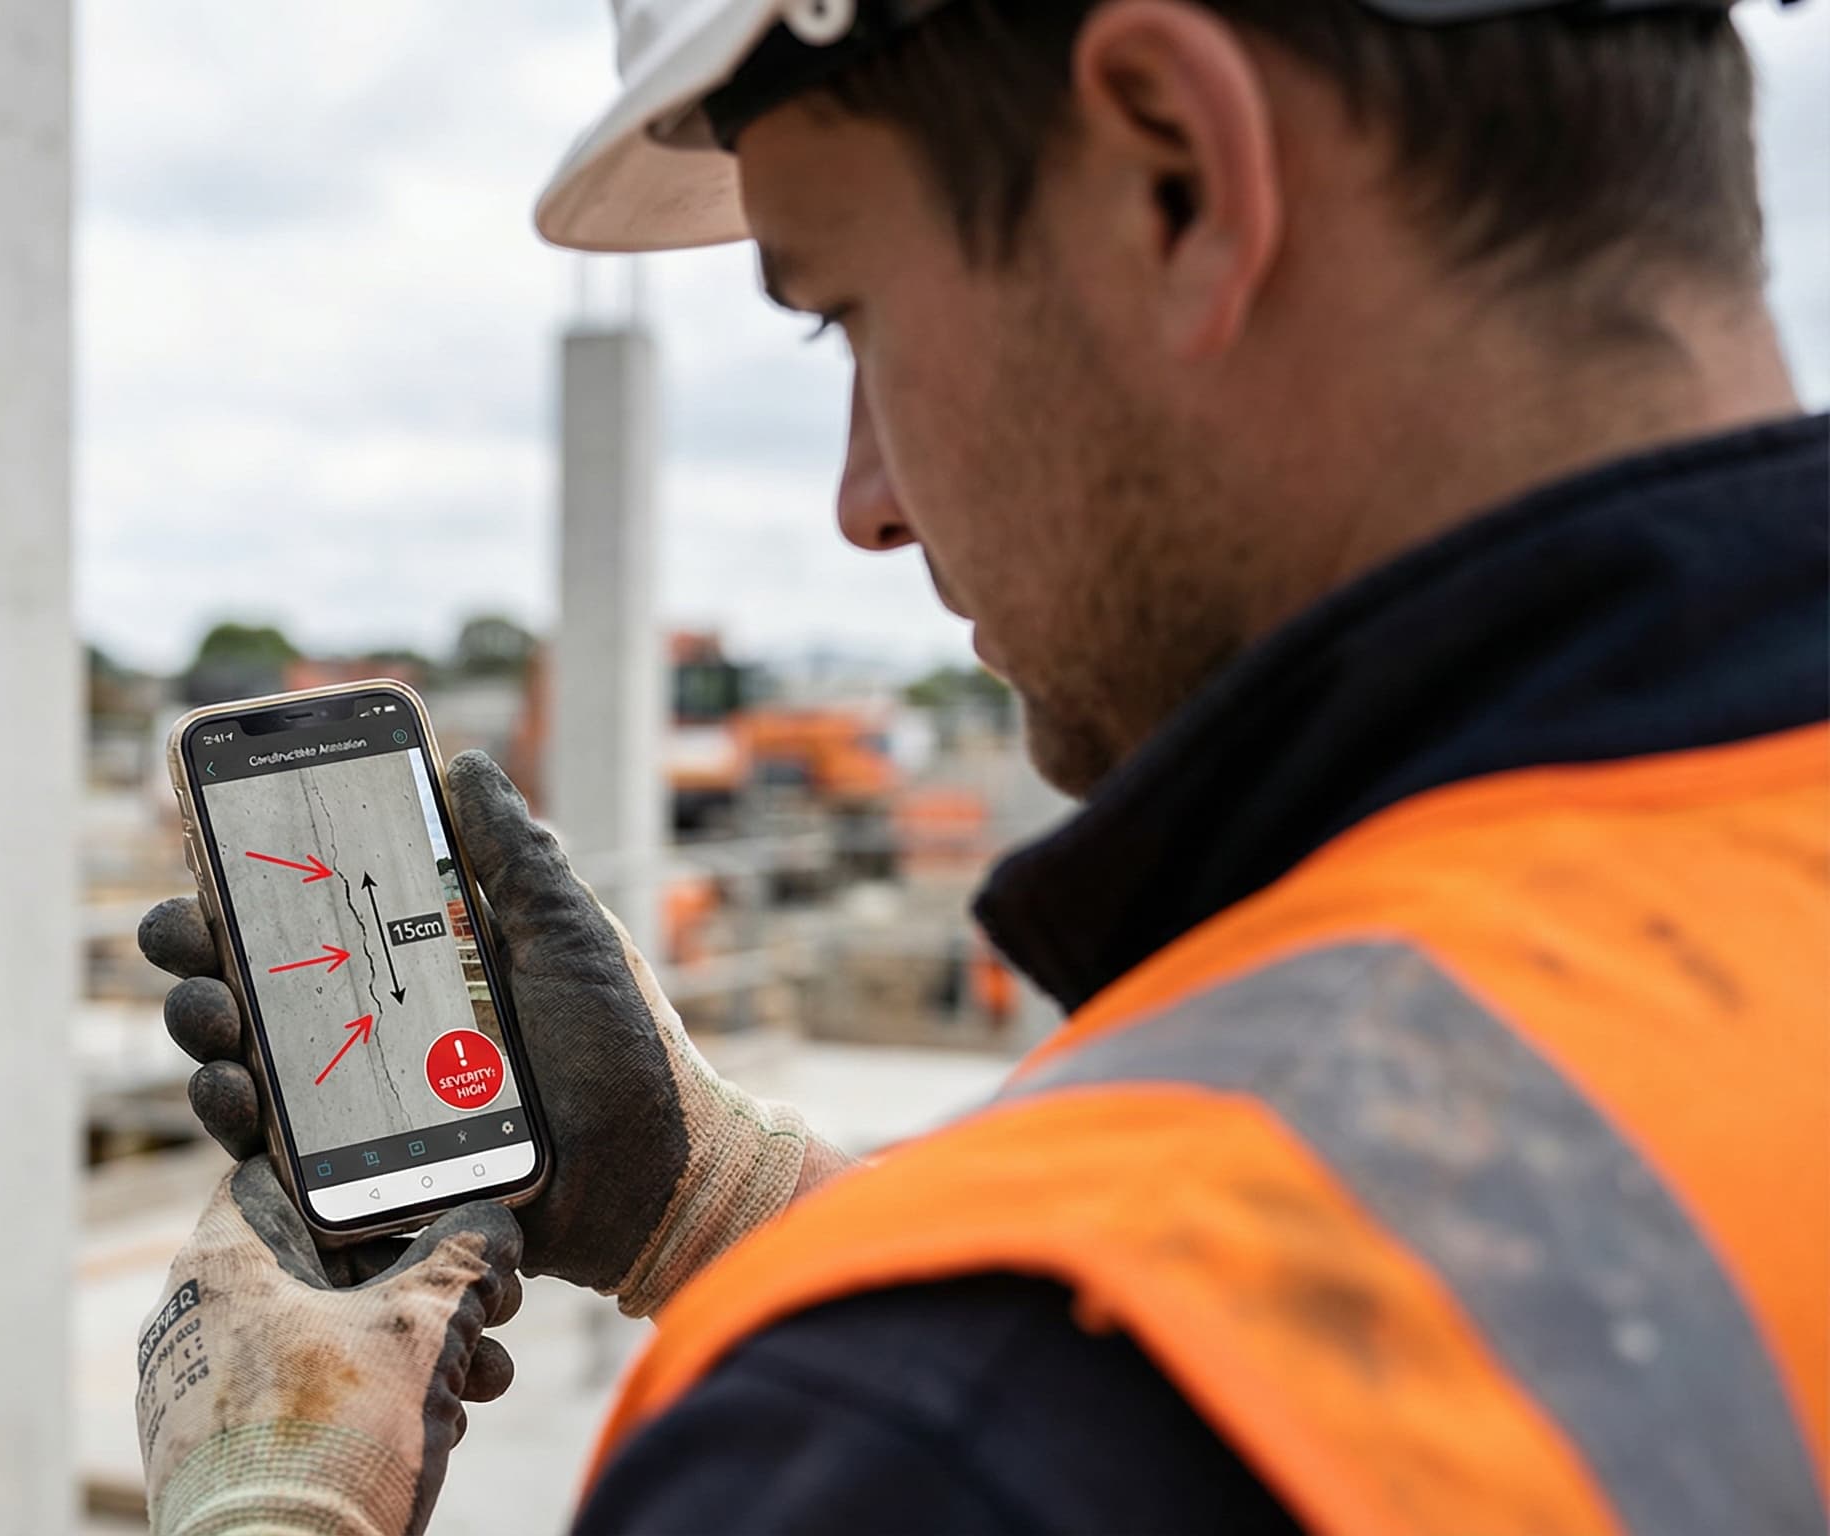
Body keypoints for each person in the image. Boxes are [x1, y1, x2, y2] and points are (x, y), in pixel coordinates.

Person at [130, 0, 1829, 1526]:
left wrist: (275, 1512)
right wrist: (705, 1200)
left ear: (1177, 175)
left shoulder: (926, 1433)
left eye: (844, 315)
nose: (863, 502)